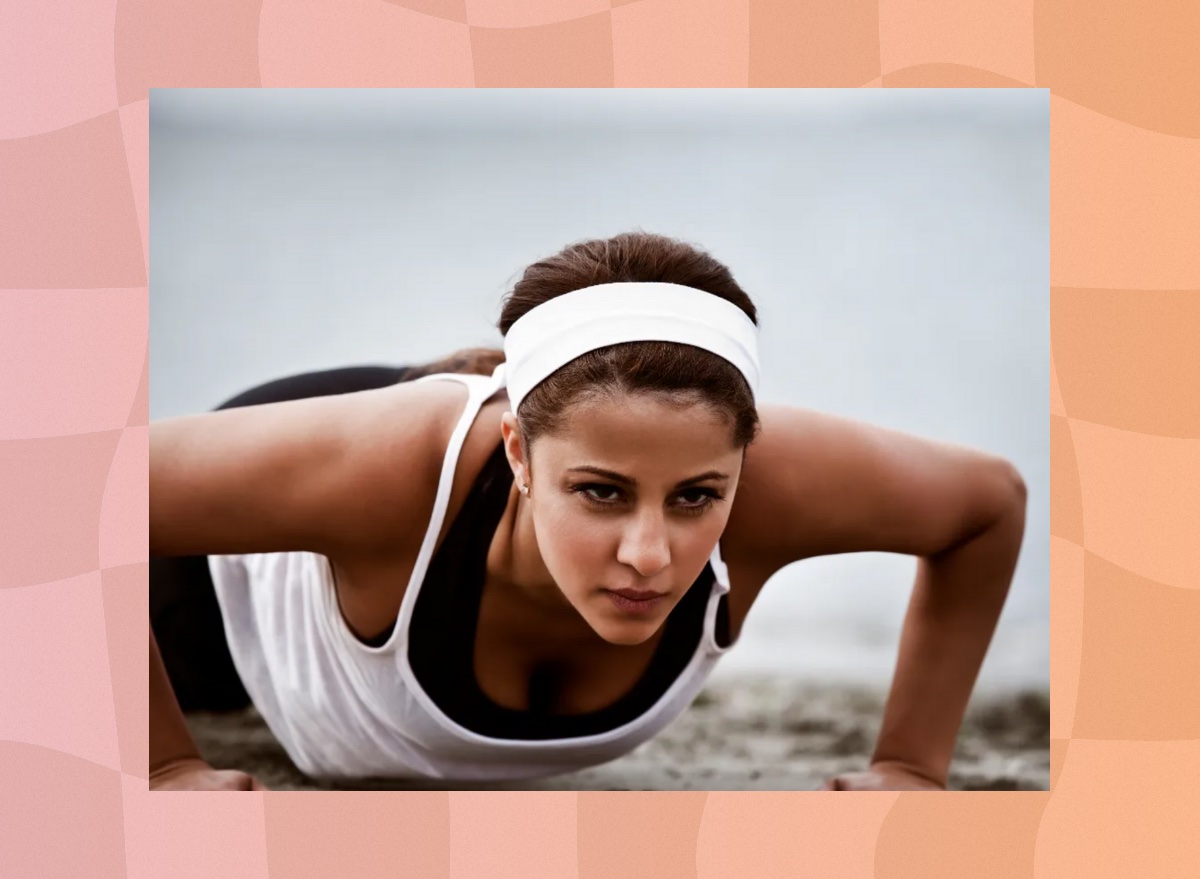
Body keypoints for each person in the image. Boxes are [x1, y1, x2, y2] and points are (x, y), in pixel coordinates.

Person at [149, 232, 1026, 791]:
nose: (651, 554)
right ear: (521, 456)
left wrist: (910, 765)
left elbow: (989, 504)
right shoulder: (390, 476)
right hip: (262, 552)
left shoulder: (768, 484)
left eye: (697, 497)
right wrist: (163, 765)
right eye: (602, 492)